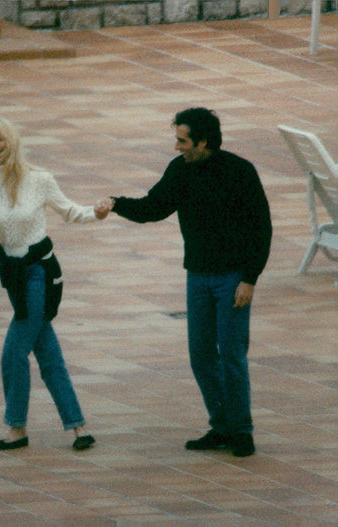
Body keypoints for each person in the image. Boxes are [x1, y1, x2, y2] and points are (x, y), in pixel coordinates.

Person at [98, 108, 272, 457]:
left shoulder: (240, 171)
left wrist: (249, 279)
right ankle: (221, 426)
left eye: (182, 140)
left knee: (232, 356)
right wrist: (115, 203)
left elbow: (261, 228)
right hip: (198, 277)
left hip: (233, 279)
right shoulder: (180, 170)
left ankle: (241, 432)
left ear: (203, 141)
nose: (176, 146)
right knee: (201, 357)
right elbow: (153, 207)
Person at [0, 117, 110, 451]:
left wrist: (97, 212)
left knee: (13, 353)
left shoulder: (39, 179)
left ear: (12, 142)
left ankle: (16, 428)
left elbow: (70, 212)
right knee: (47, 351)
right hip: (13, 276)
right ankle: (79, 427)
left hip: (41, 273)